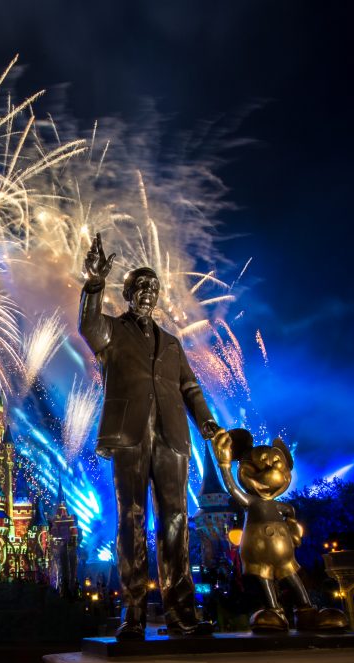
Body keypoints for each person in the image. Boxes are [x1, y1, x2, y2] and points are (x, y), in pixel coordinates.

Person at [78, 233, 218, 639]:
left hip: (173, 438)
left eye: (153, 289)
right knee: (132, 518)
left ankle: (181, 612)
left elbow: (190, 388)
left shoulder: (172, 344)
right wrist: (93, 284)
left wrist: (206, 422)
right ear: (126, 293)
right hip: (130, 435)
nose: (147, 294)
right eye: (140, 287)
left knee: (176, 520)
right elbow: (87, 324)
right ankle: (134, 610)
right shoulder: (112, 333)